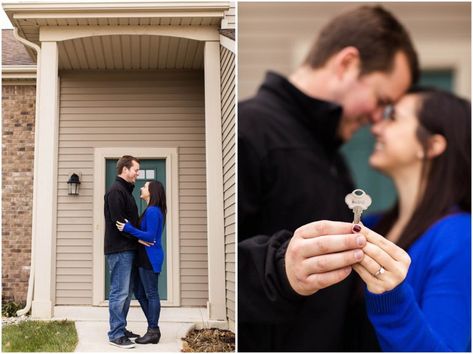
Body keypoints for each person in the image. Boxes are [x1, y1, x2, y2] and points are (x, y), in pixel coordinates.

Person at [238, 5, 419, 351]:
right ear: (347, 63)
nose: (378, 120)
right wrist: (279, 269)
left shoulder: (332, 156)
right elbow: (212, 265)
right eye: (381, 101)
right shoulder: (246, 130)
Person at [352, 88, 471, 351]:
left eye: (392, 117)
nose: (375, 128)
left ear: (431, 145)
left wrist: (391, 298)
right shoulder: (372, 225)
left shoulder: (460, 237)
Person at [116, 180, 167, 345]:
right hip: (143, 256)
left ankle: (153, 330)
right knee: (139, 292)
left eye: (145, 186)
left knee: (151, 293)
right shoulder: (151, 210)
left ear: (152, 191)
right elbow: (144, 235)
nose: (141, 188)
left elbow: (150, 236)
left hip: (150, 257)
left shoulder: (153, 211)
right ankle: (153, 328)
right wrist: (136, 234)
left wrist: (128, 228)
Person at [104, 155, 141, 349]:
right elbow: (119, 224)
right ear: (125, 170)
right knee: (119, 293)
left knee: (126, 294)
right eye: (135, 170)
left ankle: (121, 327)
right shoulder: (116, 192)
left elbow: (129, 224)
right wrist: (138, 237)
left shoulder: (125, 191)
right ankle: (115, 334)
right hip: (119, 249)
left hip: (128, 249)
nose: (137, 173)